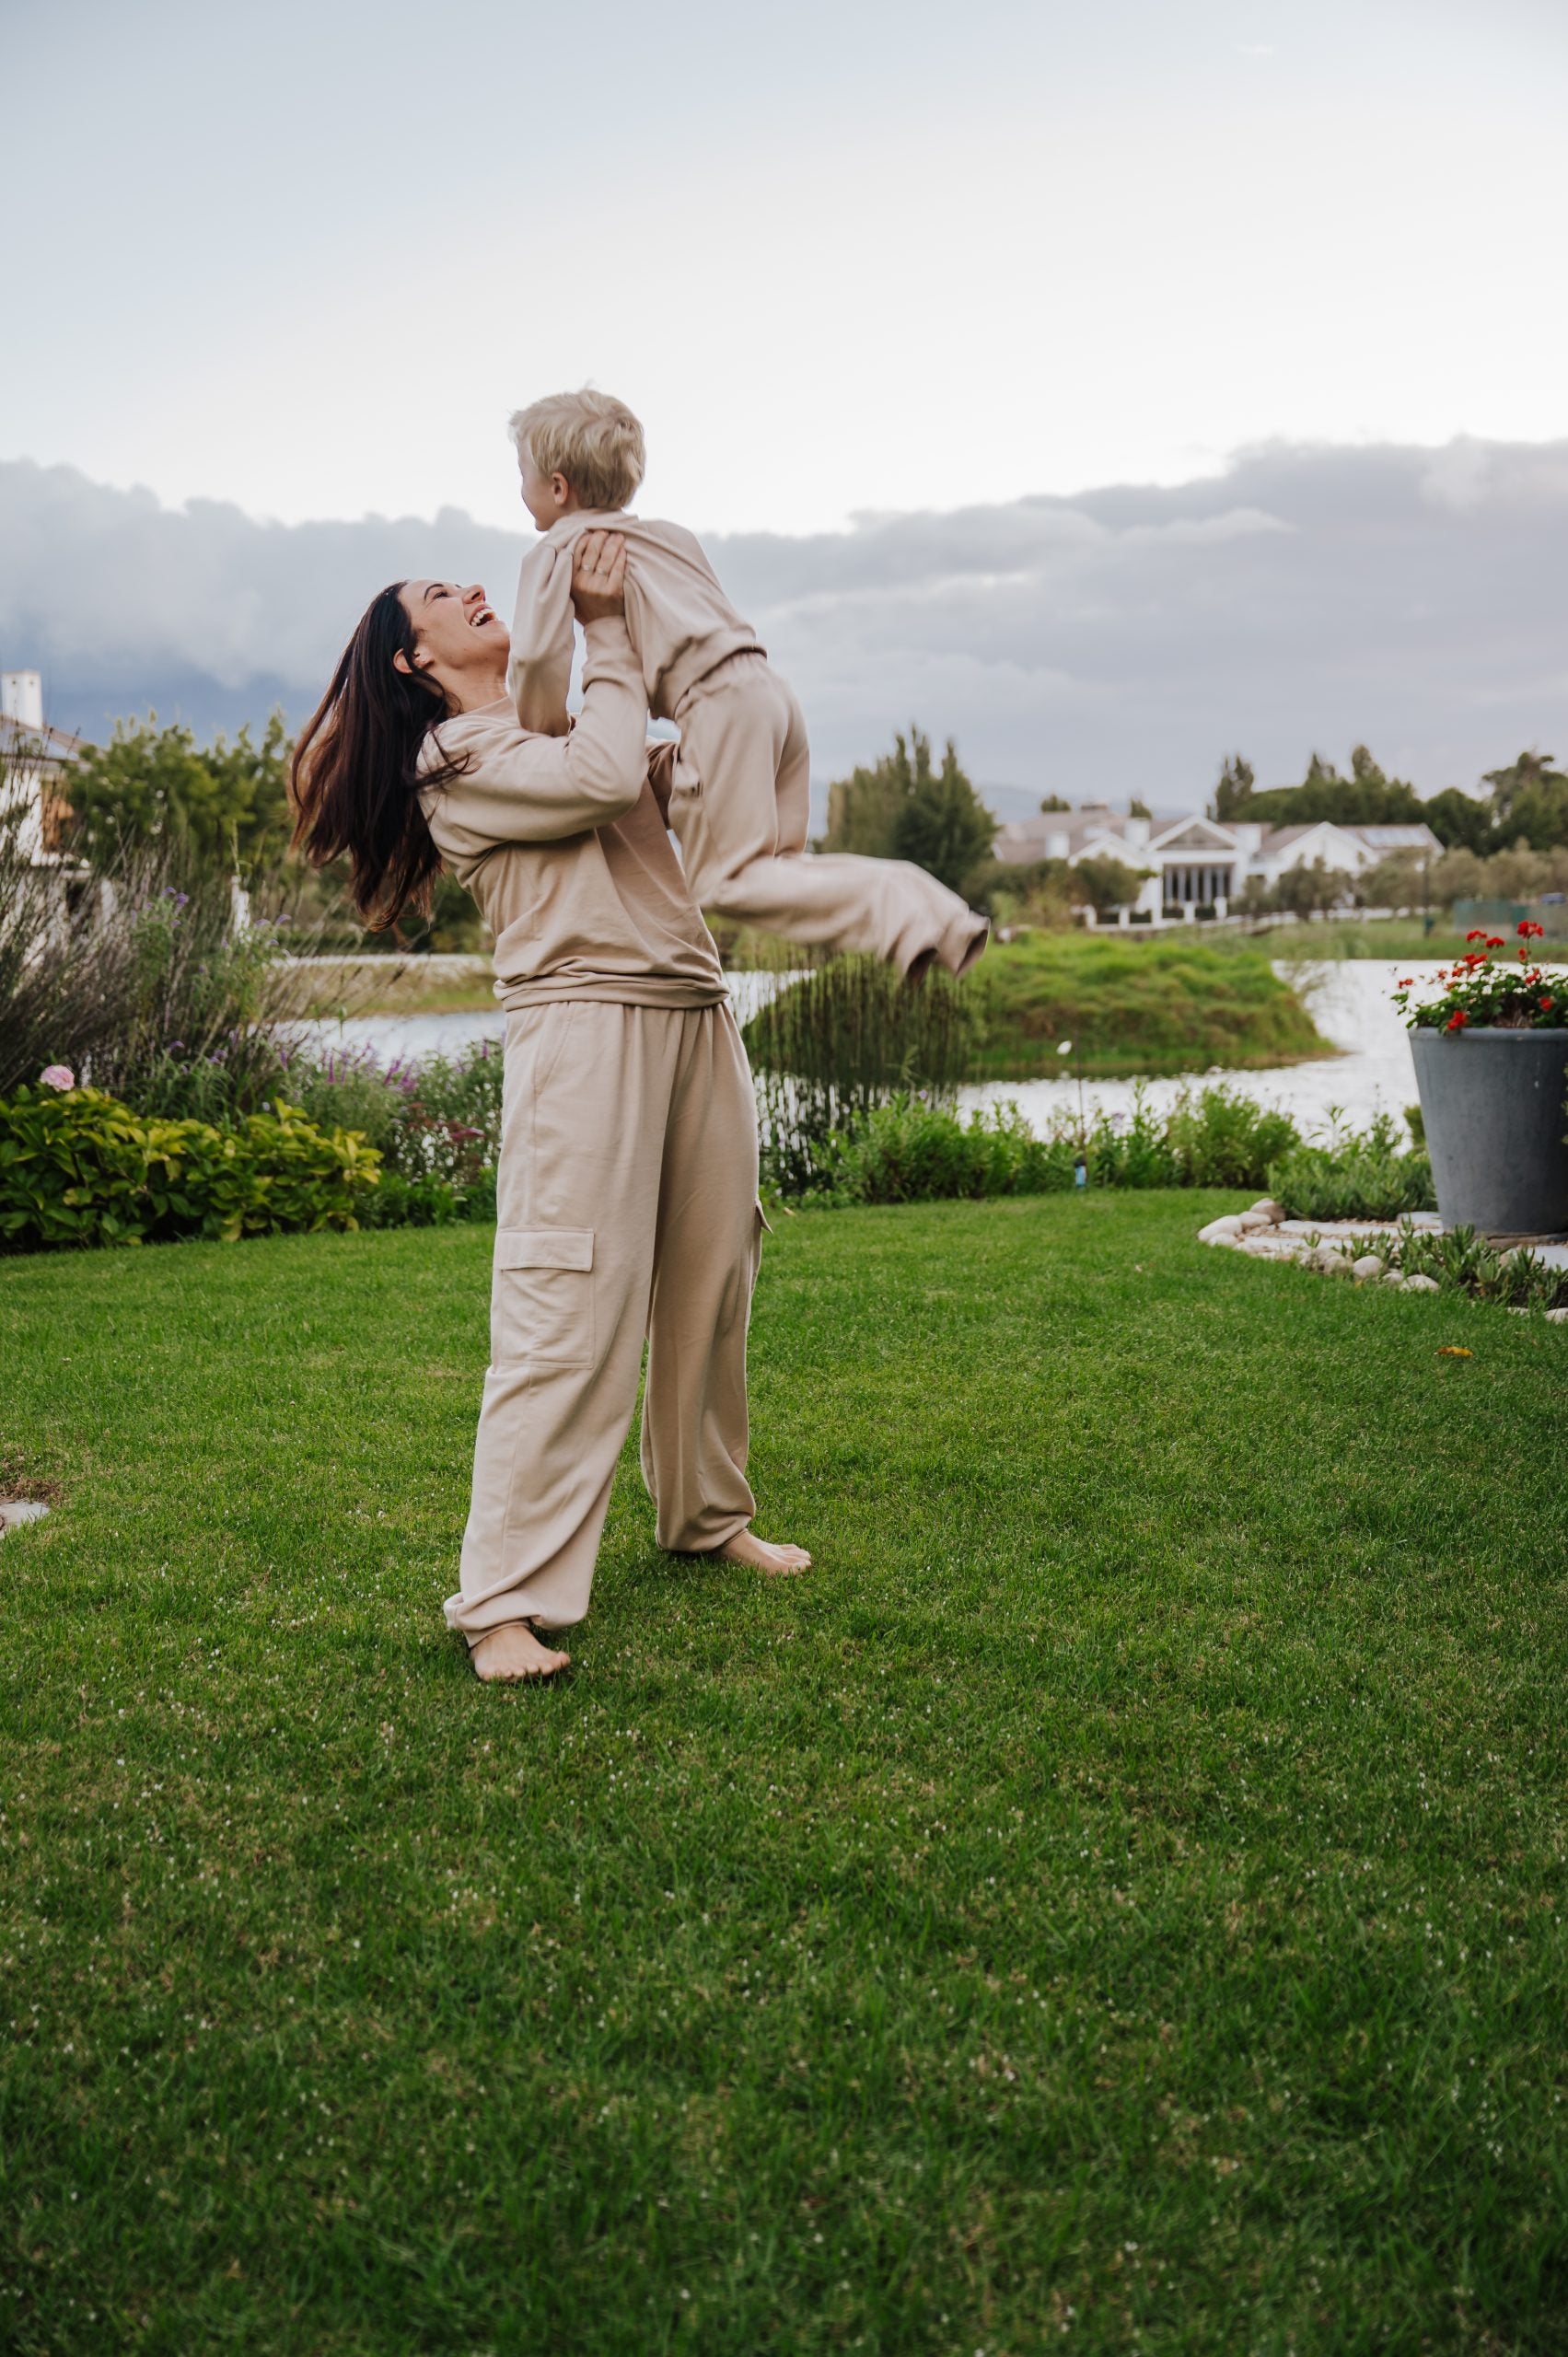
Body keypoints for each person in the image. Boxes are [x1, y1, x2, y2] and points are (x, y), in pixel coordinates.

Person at [290, 532, 808, 1684]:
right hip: (584, 1027)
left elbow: (653, 788)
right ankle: (501, 1605)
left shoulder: (549, 726)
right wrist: (610, 630)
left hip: (689, 1003)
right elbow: (598, 782)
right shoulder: (457, 759)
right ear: (411, 662)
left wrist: (729, 710)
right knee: (564, 1300)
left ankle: (704, 1514)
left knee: (713, 1272)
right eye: (440, 597)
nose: (474, 590)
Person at [507, 389, 989, 981]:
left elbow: (536, 657)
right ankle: (927, 924)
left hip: (716, 707)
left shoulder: (556, 550)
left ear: (558, 487)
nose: (519, 489)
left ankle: (904, 904)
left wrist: (543, 734)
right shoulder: (674, 536)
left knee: (726, 881)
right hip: (772, 697)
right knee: (779, 870)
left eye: (522, 474)